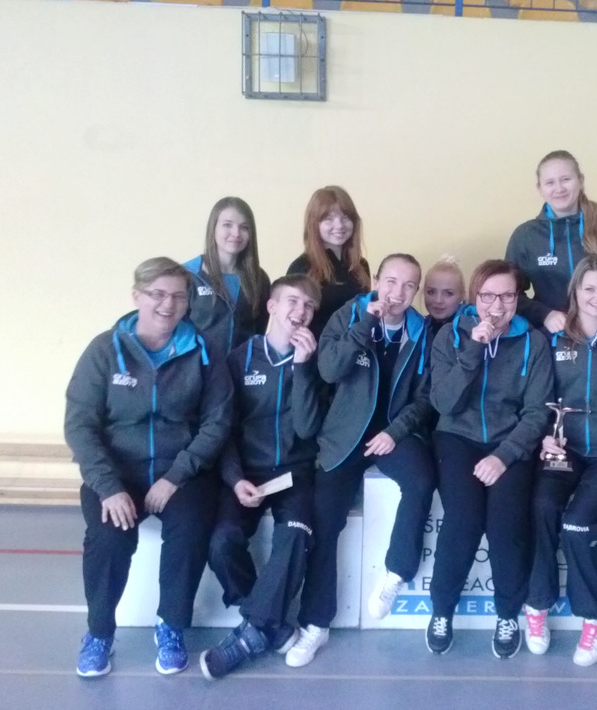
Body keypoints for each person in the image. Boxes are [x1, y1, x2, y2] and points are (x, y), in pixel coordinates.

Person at [64, 258, 231, 678]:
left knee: (191, 529)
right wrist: (108, 487)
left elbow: (218, 421)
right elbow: (80, 425)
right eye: (157, 294)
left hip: (181, 472)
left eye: (178, 296)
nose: (168, 304)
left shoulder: (204, 351)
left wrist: (176, 476)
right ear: (137, 296)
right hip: (118, 474)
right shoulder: (105, 350)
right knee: (108, 537)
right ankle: (99, 633)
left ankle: (171, 626)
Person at [285, 254, 436, 667]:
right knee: (324, 523)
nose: (397, 293)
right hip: (345, 436)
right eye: (391, 282)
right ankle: (316, 624)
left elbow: (426, 397)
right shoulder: (350, 315)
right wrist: (365, 324)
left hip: (393, 434)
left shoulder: (421, 331)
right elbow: (329, 370)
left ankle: (397, 571)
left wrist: (395, 432)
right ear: (377, 281)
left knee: (421, 480)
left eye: (408, 285)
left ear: (416, 291)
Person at [427, 260, 554, 659]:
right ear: (474, 297)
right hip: (457, 438)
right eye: (488, 296)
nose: (497, 306)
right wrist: (473, 350)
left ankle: (507, 615)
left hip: (510, 443)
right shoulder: (450, 336)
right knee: (462, 520)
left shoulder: (534, 342)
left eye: (507, 296)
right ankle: (441, 611)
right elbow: (443, 403)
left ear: (518, 298)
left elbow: (536, 413)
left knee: (506, 525)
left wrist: (504, 456)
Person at [523, 256, 597, 667]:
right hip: (566, 448)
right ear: (574, 292)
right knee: (542, 506)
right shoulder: (555, 337)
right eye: (589, 289)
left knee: (577, 524)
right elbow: (540, 396)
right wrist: (545, 437)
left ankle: (595, 617)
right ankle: (537, 603)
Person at [199, 275, 323, 679]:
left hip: (295, 472)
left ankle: (250, 636)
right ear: (271, 306)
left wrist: (304, 369)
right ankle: (272, 626)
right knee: (221, 542)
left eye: (309, 305)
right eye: (293, 301)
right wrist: (235, 478)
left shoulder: (316, 360)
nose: (300, 311)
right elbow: (223, 429)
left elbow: (307, 428)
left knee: (296, 535)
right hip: (247, 472)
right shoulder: (239, 359)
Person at [505, 149, 597, 352]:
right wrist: (545, 314)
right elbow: (510, 294)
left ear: (580, 181)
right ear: (540, 188)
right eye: (550, 182)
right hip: (552, 339)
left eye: (566, 179)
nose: (559, 188)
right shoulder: (525, 236)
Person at [185, 197, 271, 356]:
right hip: (198, 369)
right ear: (213, 228)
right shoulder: (188, 275)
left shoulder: (259, 279)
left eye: (244, 227)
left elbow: (259, 332)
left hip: (240, 369)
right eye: (227, 225)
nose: (236, 233)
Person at [286, 186, 371, 339]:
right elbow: (291, 323)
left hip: (355, 349)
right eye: (329, 219)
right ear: (314, 224)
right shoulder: (301, 267)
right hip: (316, 350)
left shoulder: (361, 266)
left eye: (345, 217)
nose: (339, 225)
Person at [423, 254, 466, 337]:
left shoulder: (470, 330)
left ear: (462, 295)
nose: (438, 300)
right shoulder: (418, 328)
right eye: (431, 292)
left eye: (448, 293)